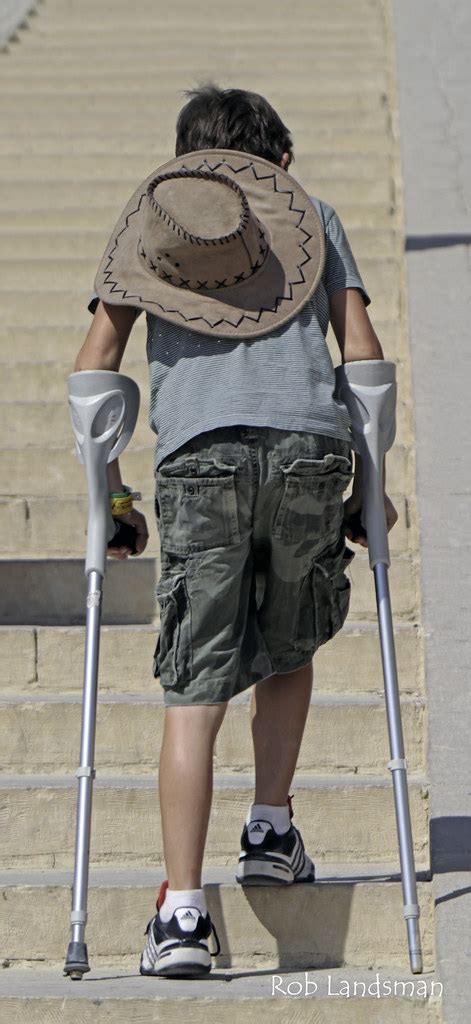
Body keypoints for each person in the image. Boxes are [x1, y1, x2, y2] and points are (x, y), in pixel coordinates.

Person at [76, 84, 398, 978]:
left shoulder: (150, 226)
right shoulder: (316, 215)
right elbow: (361, 355)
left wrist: (112, 501)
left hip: (198, 458)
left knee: (196, 679)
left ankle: (181, 914)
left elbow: (93, 374)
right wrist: (372, 483)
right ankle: (269, 825)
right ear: (280, 162)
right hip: (305, 451)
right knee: (288, 645)